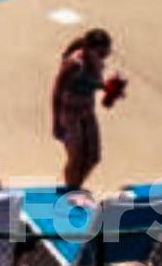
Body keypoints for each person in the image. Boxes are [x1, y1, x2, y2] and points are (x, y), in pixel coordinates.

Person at [51, 28, 123, 190]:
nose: (103, 58)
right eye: (100, 53)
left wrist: (107, 88)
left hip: (87, 111)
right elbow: (57, 92)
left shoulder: (97, 61)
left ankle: (74, 186)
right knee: (76, 157)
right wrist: (56, 122)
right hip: (70, 113)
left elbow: (87, 83)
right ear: (88, 49)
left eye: (106, 53)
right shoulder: (74, 64)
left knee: (93, 156)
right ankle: (71, 189)